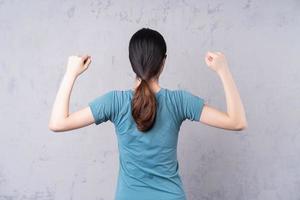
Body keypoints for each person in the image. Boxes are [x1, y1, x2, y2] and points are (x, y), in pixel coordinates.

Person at [48, 27, 247, 200]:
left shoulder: (114, 102)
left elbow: (58, 123)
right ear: (163, 62)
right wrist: (223, 71)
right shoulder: (179, 101)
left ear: (131, 62)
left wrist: (71, 73)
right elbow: (237, 122)